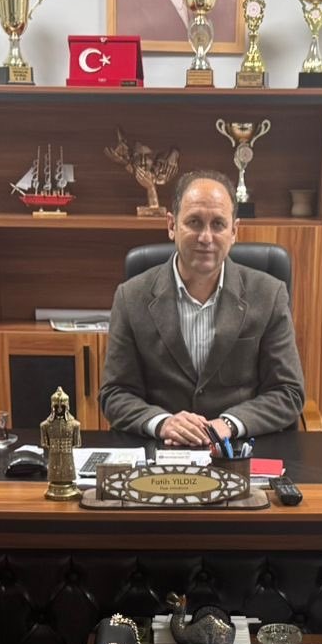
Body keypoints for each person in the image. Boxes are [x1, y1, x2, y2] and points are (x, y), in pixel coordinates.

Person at [99, 170, 306, 442]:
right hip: (163, 450)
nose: (206, 237)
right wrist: (163, 423)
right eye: (194, 222)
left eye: (218, 224)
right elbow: (115, 393)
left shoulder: (268, 294)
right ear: (172, 225)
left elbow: (288, 392)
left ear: (234, 231)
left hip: (239, 449)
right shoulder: (131, 297)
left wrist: (229, 424)